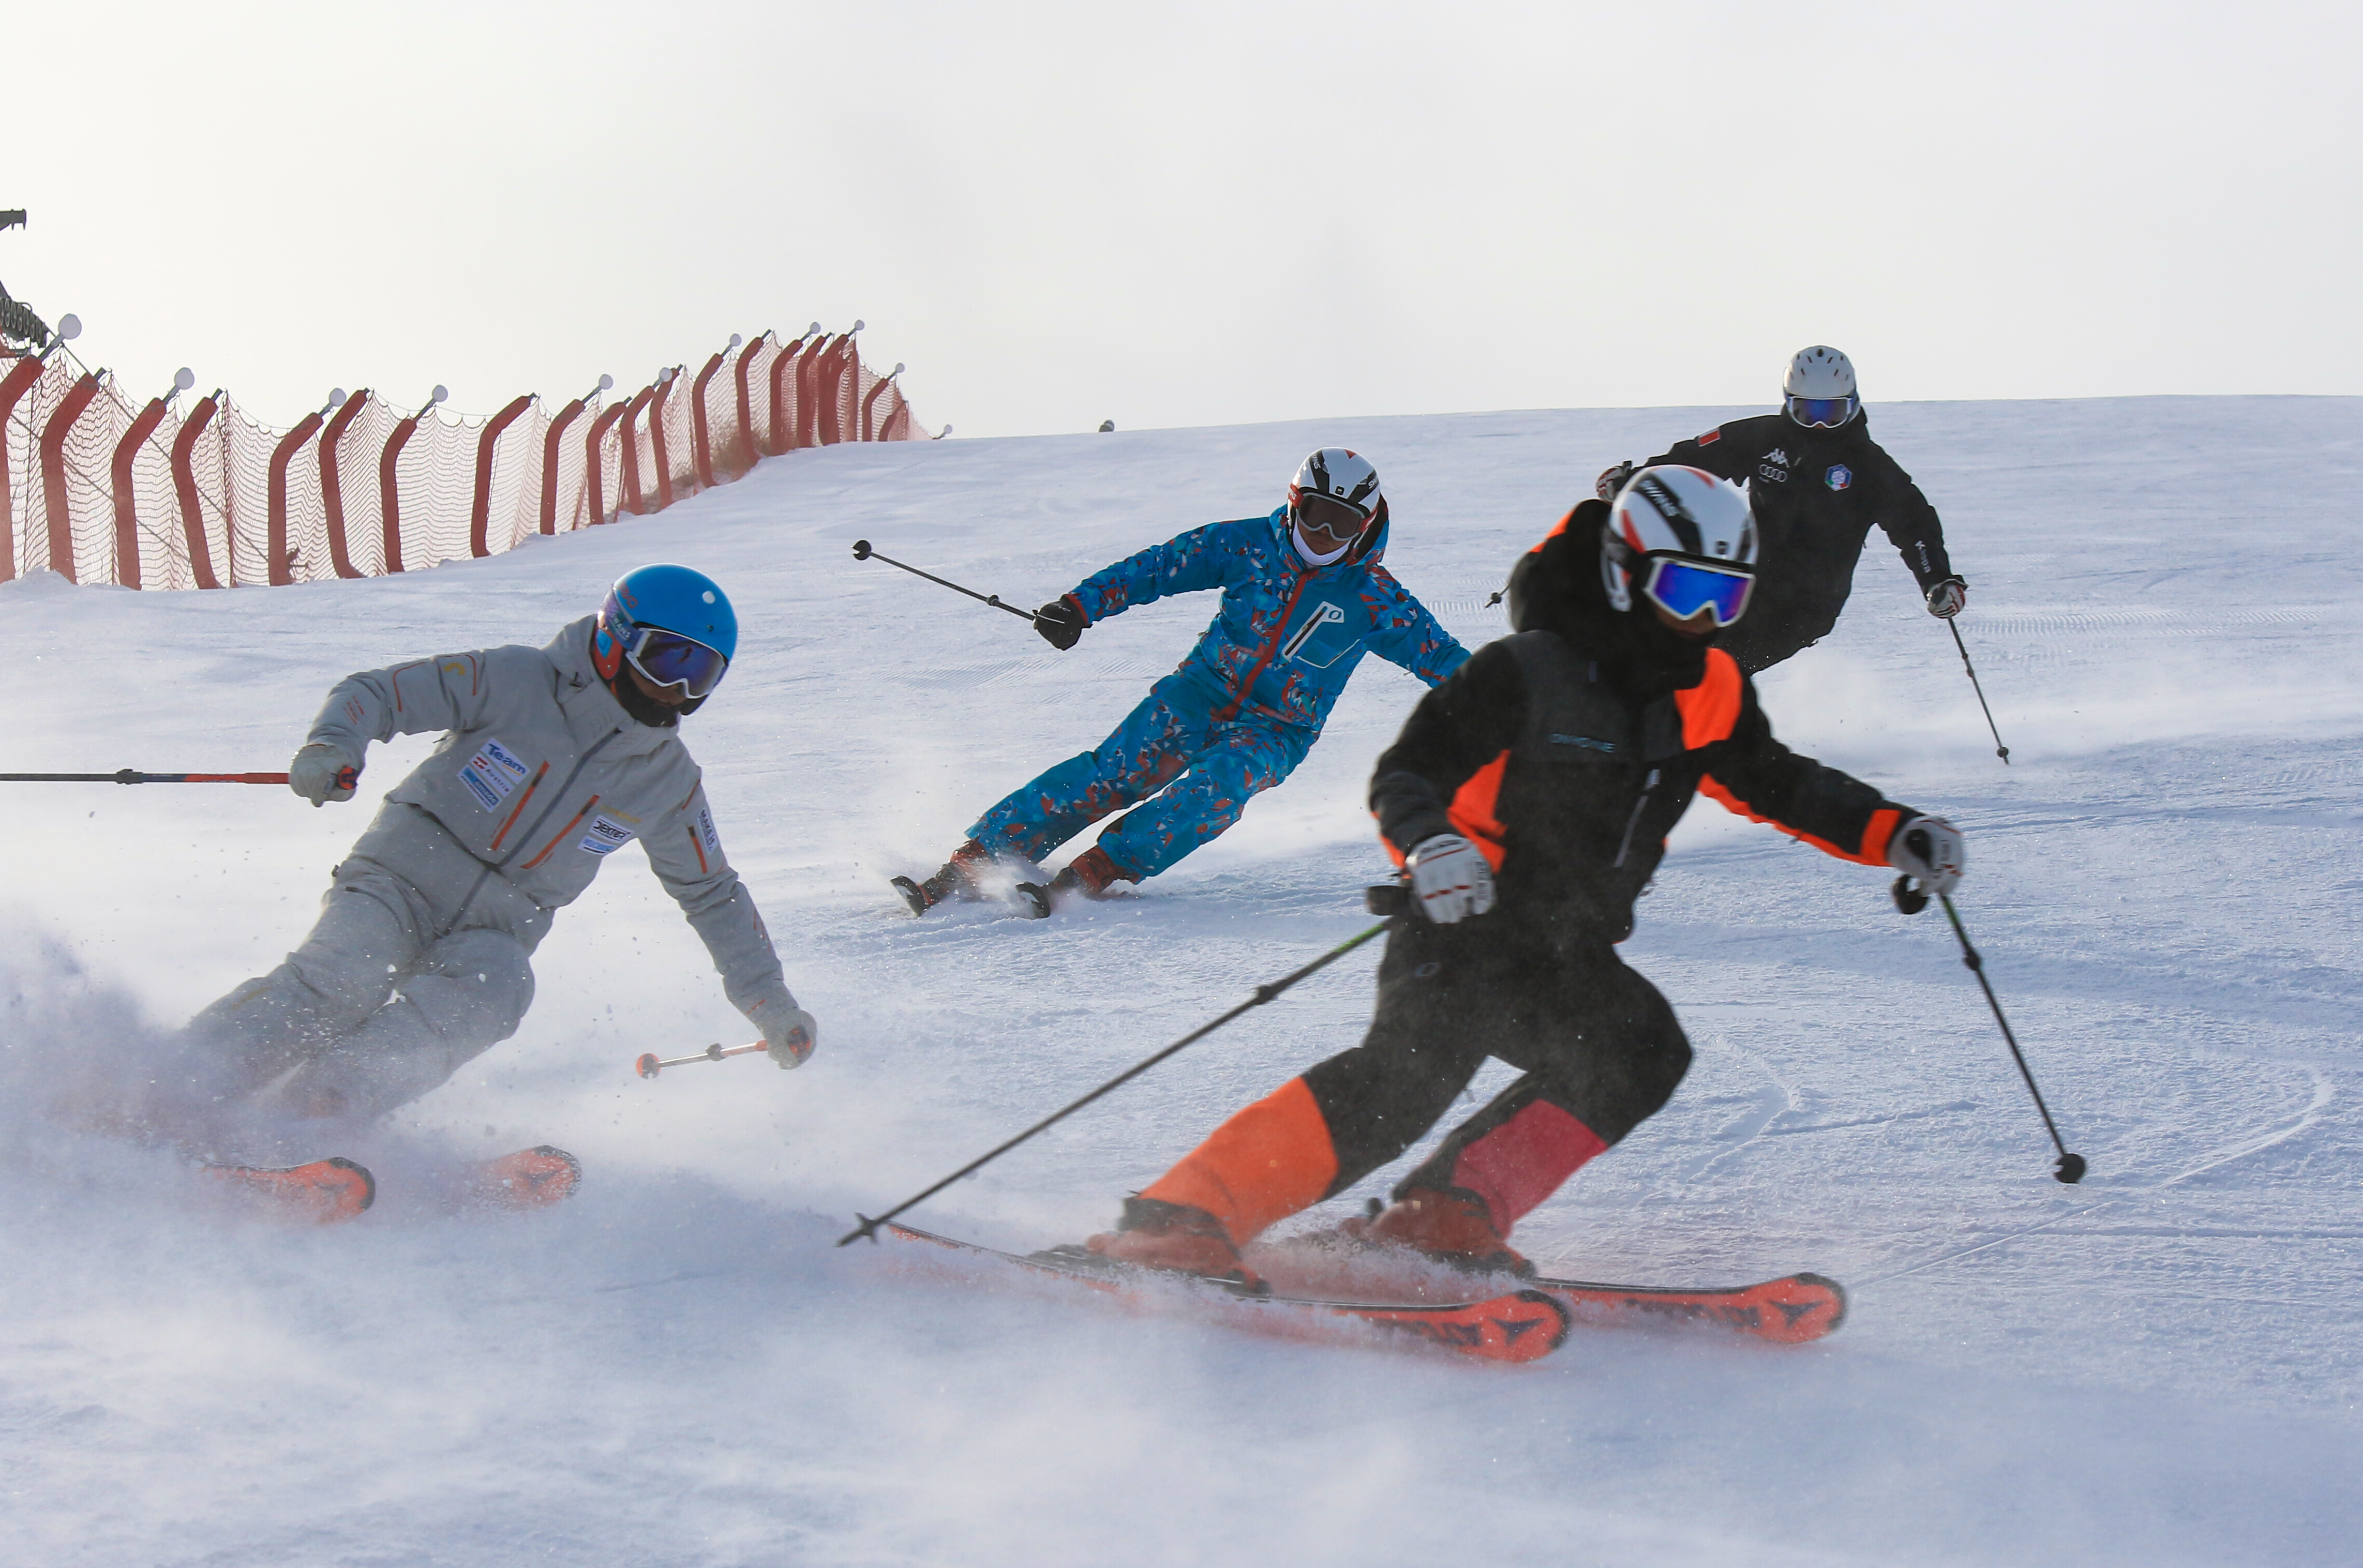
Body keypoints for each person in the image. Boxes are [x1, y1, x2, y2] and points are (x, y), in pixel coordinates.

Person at [1083, 467, 1967, 1286]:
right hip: (1462, 921)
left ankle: (1441, 1215)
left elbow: (1776, 781)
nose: (1700, 619)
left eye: (1722, 597)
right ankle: (1180, 1217)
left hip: (1562, 944)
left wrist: (1893, 831)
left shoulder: (1706, 689)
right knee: (1400, 1085)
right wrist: (1432, 846)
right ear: (1625, 571)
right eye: (1684, 590)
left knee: (1638, 1048)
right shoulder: (1527, 669)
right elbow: (1409, 774)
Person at [155, 564, 815, 1145]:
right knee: (345, 977)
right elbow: (378, 692)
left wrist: (770, 1003)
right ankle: (176, 1087)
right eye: (666, 657)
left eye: (699, 672)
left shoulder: (666, 779)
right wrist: (335, 745)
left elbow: (712, 893)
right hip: (399, 878)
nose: (676, 687)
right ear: (616, 637)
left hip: (498, 929)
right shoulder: (514, 679)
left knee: (497, 993)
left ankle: (318, 1112)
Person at [895, 449, 1470, 916]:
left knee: (1218, 787)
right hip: (1199, 692)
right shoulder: (1248, 546)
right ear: (1294, 503)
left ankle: (1100, 867)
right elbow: (1161, 565)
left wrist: (1516, 691)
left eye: (1340, 523)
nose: (1322, 533)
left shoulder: (1375, 599)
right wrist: (1079, 606)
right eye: (1314, 513)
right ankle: (980, 855)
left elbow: (1442, 658)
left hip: (1277, 728)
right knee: (1111, 772)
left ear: (1364, 525)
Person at [1595, 345, 1965, 675]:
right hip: (1745, 579)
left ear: (1853, 404)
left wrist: (1937, 580)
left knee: (1718, 668)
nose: (1820, 424)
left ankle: (1698, 740)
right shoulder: (1763, 438)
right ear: (1789, 402)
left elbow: (1915, 524)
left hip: (1808, 606)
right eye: (1808, 410)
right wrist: (1635, 480)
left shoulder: (1870, 467)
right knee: (1670, 638)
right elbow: (1692, 460)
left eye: (1832, 412)